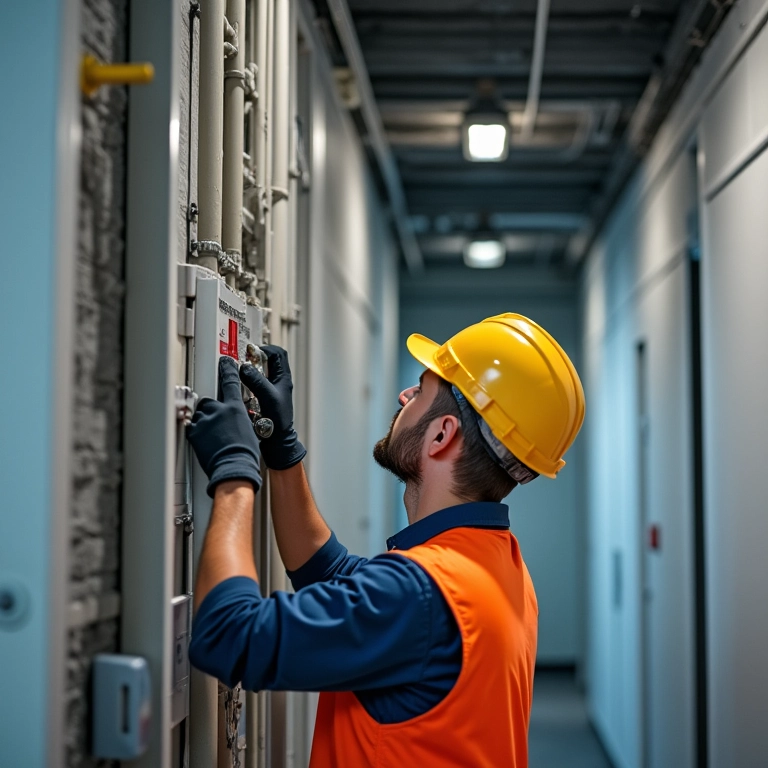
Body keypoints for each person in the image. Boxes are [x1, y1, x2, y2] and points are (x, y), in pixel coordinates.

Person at [186, 312, 585, 767]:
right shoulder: (497, 567)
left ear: (441, 434)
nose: (405, 396)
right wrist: (282, 450)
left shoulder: (421, 593)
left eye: (420, 390)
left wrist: (236, 472)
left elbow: (226, 636)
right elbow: (330, 576)